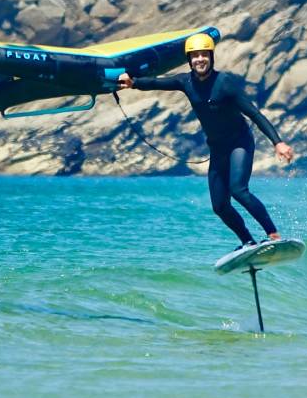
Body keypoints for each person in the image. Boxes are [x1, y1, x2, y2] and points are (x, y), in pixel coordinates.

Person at [118, 33, 294, 249]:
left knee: (238, 190)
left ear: (211, 57)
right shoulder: (185, 82)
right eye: (195, 55)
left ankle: (273, 234)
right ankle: (248, 242)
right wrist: (133, 83)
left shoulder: (225, 83)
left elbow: (254, 114)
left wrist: (278, 142)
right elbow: (157, 82)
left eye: (204, 54)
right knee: (219, 206)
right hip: (218, 149)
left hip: (239, 143)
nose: (199, 59)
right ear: (189, 60)